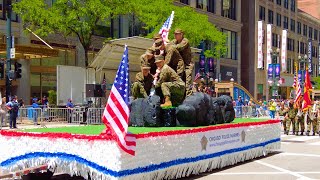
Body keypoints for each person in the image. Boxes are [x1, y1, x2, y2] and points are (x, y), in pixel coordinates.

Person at [171, 28, 194, 97]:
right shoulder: (174, 41)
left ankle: (188, 99)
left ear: (181, 34)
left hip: (187, 65)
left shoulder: (185, 41)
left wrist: (171, 46)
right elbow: (169, 46)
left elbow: (179, 47)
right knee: (178, 82)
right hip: (179, 66)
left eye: (177, 34)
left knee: (187, 82)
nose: (175, 35)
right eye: (175, 34)